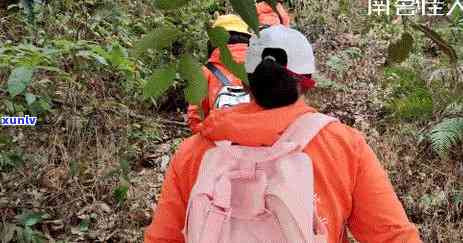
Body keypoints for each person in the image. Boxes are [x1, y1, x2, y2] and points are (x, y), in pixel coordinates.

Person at [145, 26, 422, 243]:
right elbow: (392, 236)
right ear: (308, 82)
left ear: (246, 82)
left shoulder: (196, 150)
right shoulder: (344, 145)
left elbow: (164, 238)